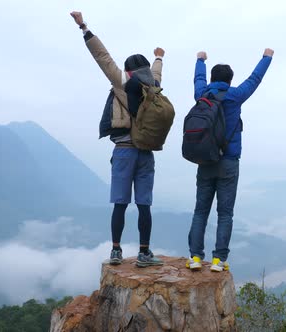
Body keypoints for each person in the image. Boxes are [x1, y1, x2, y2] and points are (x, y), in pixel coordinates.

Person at [70, 11, 164, 267]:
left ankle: (116, 251)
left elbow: (102, 56)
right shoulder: (153, 86)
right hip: (146, 152)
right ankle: (144, 253)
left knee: (120, 203)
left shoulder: (120, 82)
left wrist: (84, 27)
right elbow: (157, 71)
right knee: (144, 204)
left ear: (128, 70)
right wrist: (158, 56)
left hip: (123, 151)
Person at [187, 48, 274, 272]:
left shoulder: (202, 94)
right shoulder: (235, 96)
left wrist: (200, 61)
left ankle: (195, 258)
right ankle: (218, 260)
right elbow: (255, 79)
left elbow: (198, 79)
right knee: (225, 213)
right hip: (229, 162)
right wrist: (267, 58)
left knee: (200, 211)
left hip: (205, 161)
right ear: (230, 80)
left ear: (213, 79)